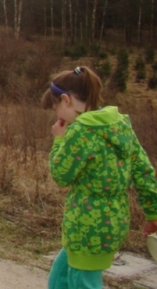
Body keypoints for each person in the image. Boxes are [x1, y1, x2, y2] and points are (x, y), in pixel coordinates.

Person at [42, 66, 157, 289]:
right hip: (113, 221)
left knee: (84, 282)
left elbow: (61, 175)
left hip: (86, 225)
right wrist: (153, 212)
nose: (58, 117)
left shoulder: (81, 131)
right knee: (61, 276)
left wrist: (59, 140)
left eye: (57, 109)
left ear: (66, 100)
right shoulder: (120, 125)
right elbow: (144, 172)